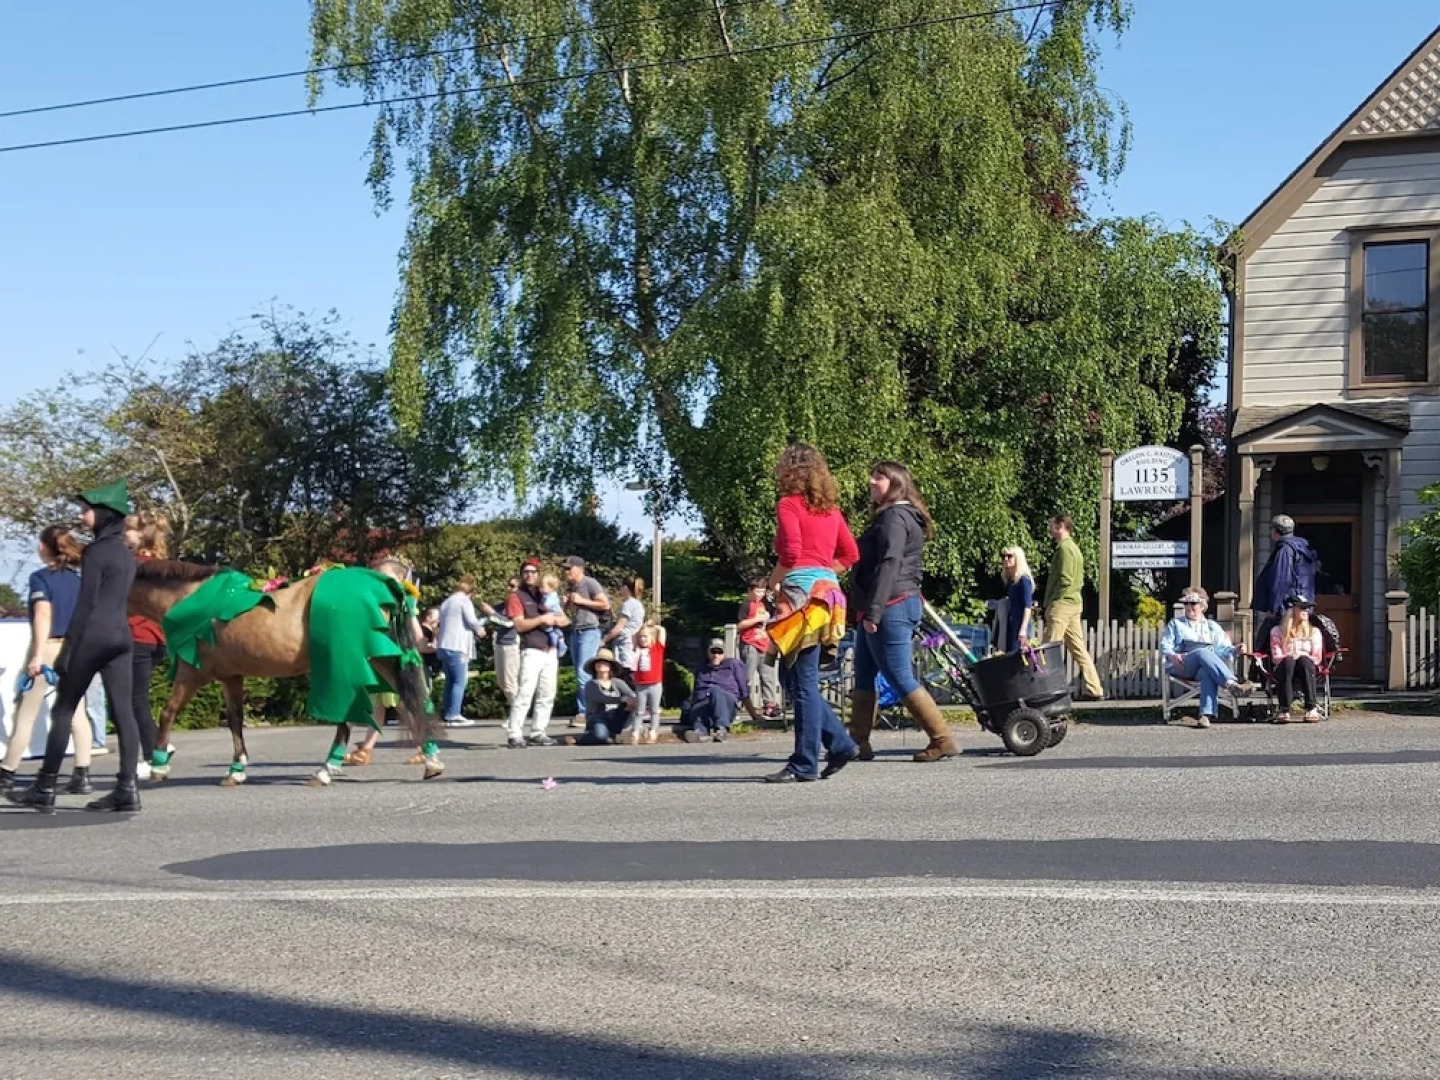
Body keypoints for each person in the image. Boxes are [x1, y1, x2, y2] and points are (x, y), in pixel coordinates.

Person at [8, 481, 142, 813]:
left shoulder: (95, 552)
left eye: (86, 510)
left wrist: (67, 653)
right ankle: (127, 789)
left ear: (104, 513)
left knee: (64, 709)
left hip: (93, 637)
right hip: (122, 637)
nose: (82, 516)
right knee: (125, 712)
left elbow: (86, 605)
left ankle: (44, 786)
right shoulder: (126, 553)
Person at [762, 444, 861, 783]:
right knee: (795, 679)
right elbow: (850, 554)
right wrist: (822, 571)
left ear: (788, 471)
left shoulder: (788, 504)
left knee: (801, 681)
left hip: (801, 599)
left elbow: (789, 552)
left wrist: (771, 584)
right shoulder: (830, 510)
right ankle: (839, 742)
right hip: (829, 596)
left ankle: (804, 763)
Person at [847, 461, 955, 764]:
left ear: (895, 483)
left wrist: (875, 611)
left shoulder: (895, 517)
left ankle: (942, 739)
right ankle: (857, 742)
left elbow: (890, 563)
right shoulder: (893, 515)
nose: (871, 481)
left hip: (890, 606)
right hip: (883, 605)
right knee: (865, 675)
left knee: (898, 675)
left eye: (878, 478)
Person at [0, 525, 92, 794]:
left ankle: (8, 770)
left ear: (43, 548)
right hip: (76, 649)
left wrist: (37, 655)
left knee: (27, 712)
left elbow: (42, 615)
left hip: (50, 646)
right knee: (76, 712)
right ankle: (82, 772)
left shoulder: (41, 578)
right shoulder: (78, 580)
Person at [122, 511, 170, 781]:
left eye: (127, 530)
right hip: (157, 637)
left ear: (141, 534)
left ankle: (154, 752)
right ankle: (154, 748)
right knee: (137, 697)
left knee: (134, 698)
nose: (123, 535)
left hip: (138, 635)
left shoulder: (135, 566)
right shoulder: (161, 565)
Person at [503, 558, 570, 748]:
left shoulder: (546, 593)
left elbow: (565, 620)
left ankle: (538, 731)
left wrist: (555, 619)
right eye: (526, 572)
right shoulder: (516, 597)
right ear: (521, 574)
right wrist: (542, 619)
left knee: (548, 693)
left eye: (533, 572)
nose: (530, 575)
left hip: (550, 649)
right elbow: (519, 624)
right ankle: (514, 732)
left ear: (538, 574)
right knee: (525, 692)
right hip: (531, 648)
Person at [1041, 515, 1104, 701]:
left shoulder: (1064, 549)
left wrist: (1053, 601)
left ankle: (1044, 690)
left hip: (1063, 604)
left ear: (1060, 526)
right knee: (1078, 649)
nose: (1049, 529)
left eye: (1051, 525)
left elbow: (1065, 579)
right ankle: (1094, 688)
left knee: (1048, 650)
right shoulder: (1075, 549)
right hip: (1074, 603)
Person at [1160, 587, 1241, 729]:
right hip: (1182, 664)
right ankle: (1230, 684)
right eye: (1186, 603)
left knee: (1207, 672)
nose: (1189, 607)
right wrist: (1172, 656)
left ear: (1202, 606)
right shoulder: (1176, 624)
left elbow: (1223, 649)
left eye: (1193, 603)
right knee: (1202, 652)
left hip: (1202, 667)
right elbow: (1165, 645)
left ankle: (1205, 715)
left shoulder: (1212, 626)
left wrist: (1235, 649)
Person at [1252, 515, 1318, 652]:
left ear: (1276, 532)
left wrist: (1274, 608)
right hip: (1302, 605)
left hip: (1287, 607)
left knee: (1264, 643)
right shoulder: (1302, 549)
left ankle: (1262, 670)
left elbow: (1280, 580)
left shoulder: (1285, 550)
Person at [562, 556, 610, 721]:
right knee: (579, 673)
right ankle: (588, 709)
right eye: (565, 569)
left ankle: (586, 712)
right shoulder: (572, 586)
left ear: (580, 569)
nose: (566, 572)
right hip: (576, 631)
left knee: (584, 672)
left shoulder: (589, 583)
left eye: (569, 568)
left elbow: (605, 604)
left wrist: (582, 600)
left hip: (589, 630)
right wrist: (567, 603)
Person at [436, 574, 487, 727]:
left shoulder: (446, 602)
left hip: (444, 645)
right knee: (460, 681)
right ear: (471, 592)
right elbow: (471, 621)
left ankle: (448, 712)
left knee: (450, 681)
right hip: (458, 645)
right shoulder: (464, 601)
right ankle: (454, 714)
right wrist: (480, 628)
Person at [681, 640, 753, 743]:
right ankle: (700, 733)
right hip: (704, 702)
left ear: (724, 653)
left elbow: (744, 692)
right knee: (699, 706)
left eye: (719, 652)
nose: (716, 655)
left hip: (726, 704)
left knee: (715, 691)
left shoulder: (733, 664)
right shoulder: (701, 668)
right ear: (708, 653)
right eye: (713, 652)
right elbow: (696, 691)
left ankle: (721, 730)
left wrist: (753, 715)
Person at [1268, 594, 1323, 723]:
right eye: (1302, 608)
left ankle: (1311, 708)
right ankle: (1284, 709)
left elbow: (1317, 656)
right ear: (1291, 610)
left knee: (1304, 660)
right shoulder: (1277, 631)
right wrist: (1290, 655)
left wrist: (1301, 654)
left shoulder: (1313, 632)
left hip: (1306, 666)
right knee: (1288, 661)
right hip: (1285, 665)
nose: (1306, 611)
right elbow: (1276, 656)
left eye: (1307, 608)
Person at [736, 579, 781, 718]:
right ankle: (740, 703)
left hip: (765, 643)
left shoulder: (766, 604)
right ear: (750, 591)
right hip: (750, 643)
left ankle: (770, 705)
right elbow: (740, 625)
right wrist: (756, 619)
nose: (759, 594)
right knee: (747, 676)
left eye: (762, 591)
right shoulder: (746, 604)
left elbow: (772, 621)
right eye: (757, 591)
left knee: (768, 676)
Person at [577, 648, 635, 744]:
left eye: (605, 663)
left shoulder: (617, 682)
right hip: (598, 717)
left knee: (631, 704)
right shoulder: (591, 684)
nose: (601, 665)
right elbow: (602, 698)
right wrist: (623, 699)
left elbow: (631, 694)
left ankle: (617, 733)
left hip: (615, 716)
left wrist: (634, 700)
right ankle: (580, 739)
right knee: (601, 736)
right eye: (598, 663)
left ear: (610, 667)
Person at [627, 621, 666, 744]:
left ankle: (653, 731)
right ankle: (635, 732)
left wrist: (653, 627)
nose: (643, 639)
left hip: (655, 684)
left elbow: (662, 631)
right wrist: (641, 628)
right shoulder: (637, 650)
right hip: (641, 685)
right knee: (640, 710)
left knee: (654, 709)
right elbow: (633, 636)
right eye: (641, 637)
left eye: (645, 636)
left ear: (652, 638)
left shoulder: (657, 649)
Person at [605, 577, 647, 681]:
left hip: (624, 644)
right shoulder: (638, 604)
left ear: (625, 587)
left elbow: (620, 627)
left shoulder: (628, 604)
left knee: (623, 675)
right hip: (633, 641)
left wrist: (604, 639)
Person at [488, 577, 521, 707]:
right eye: (508, 585)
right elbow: (487, 618)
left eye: (512, 586)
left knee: (510, 681)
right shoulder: (502, 605)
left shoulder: (518, 605)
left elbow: (509, 623)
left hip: (511, 644)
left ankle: (517, 713)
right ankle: (515, 709)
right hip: (499, 643)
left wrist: (491, 613)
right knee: (502, 682)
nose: (509, 588)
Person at [1000, 546, 1035, 654]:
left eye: (1009, 556)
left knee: (1018, 656)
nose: (1006, 559)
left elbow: (1027, 606)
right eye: (1004, 557)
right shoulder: (1012, 581)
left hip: (1021, 624)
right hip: (1012, 623)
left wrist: (1023, 629)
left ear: (1018, 559)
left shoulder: (1024, 579)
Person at [539, 574, 569, 657]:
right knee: (555, 630)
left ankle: (556, 645)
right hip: (554, 613)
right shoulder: (547, 595)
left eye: (543, 587)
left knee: (551, 631)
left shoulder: (551, 596)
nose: (540, 589)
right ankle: (560, 641)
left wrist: (540, 607)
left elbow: (547, 606)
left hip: (554, 613)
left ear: (551, 588)